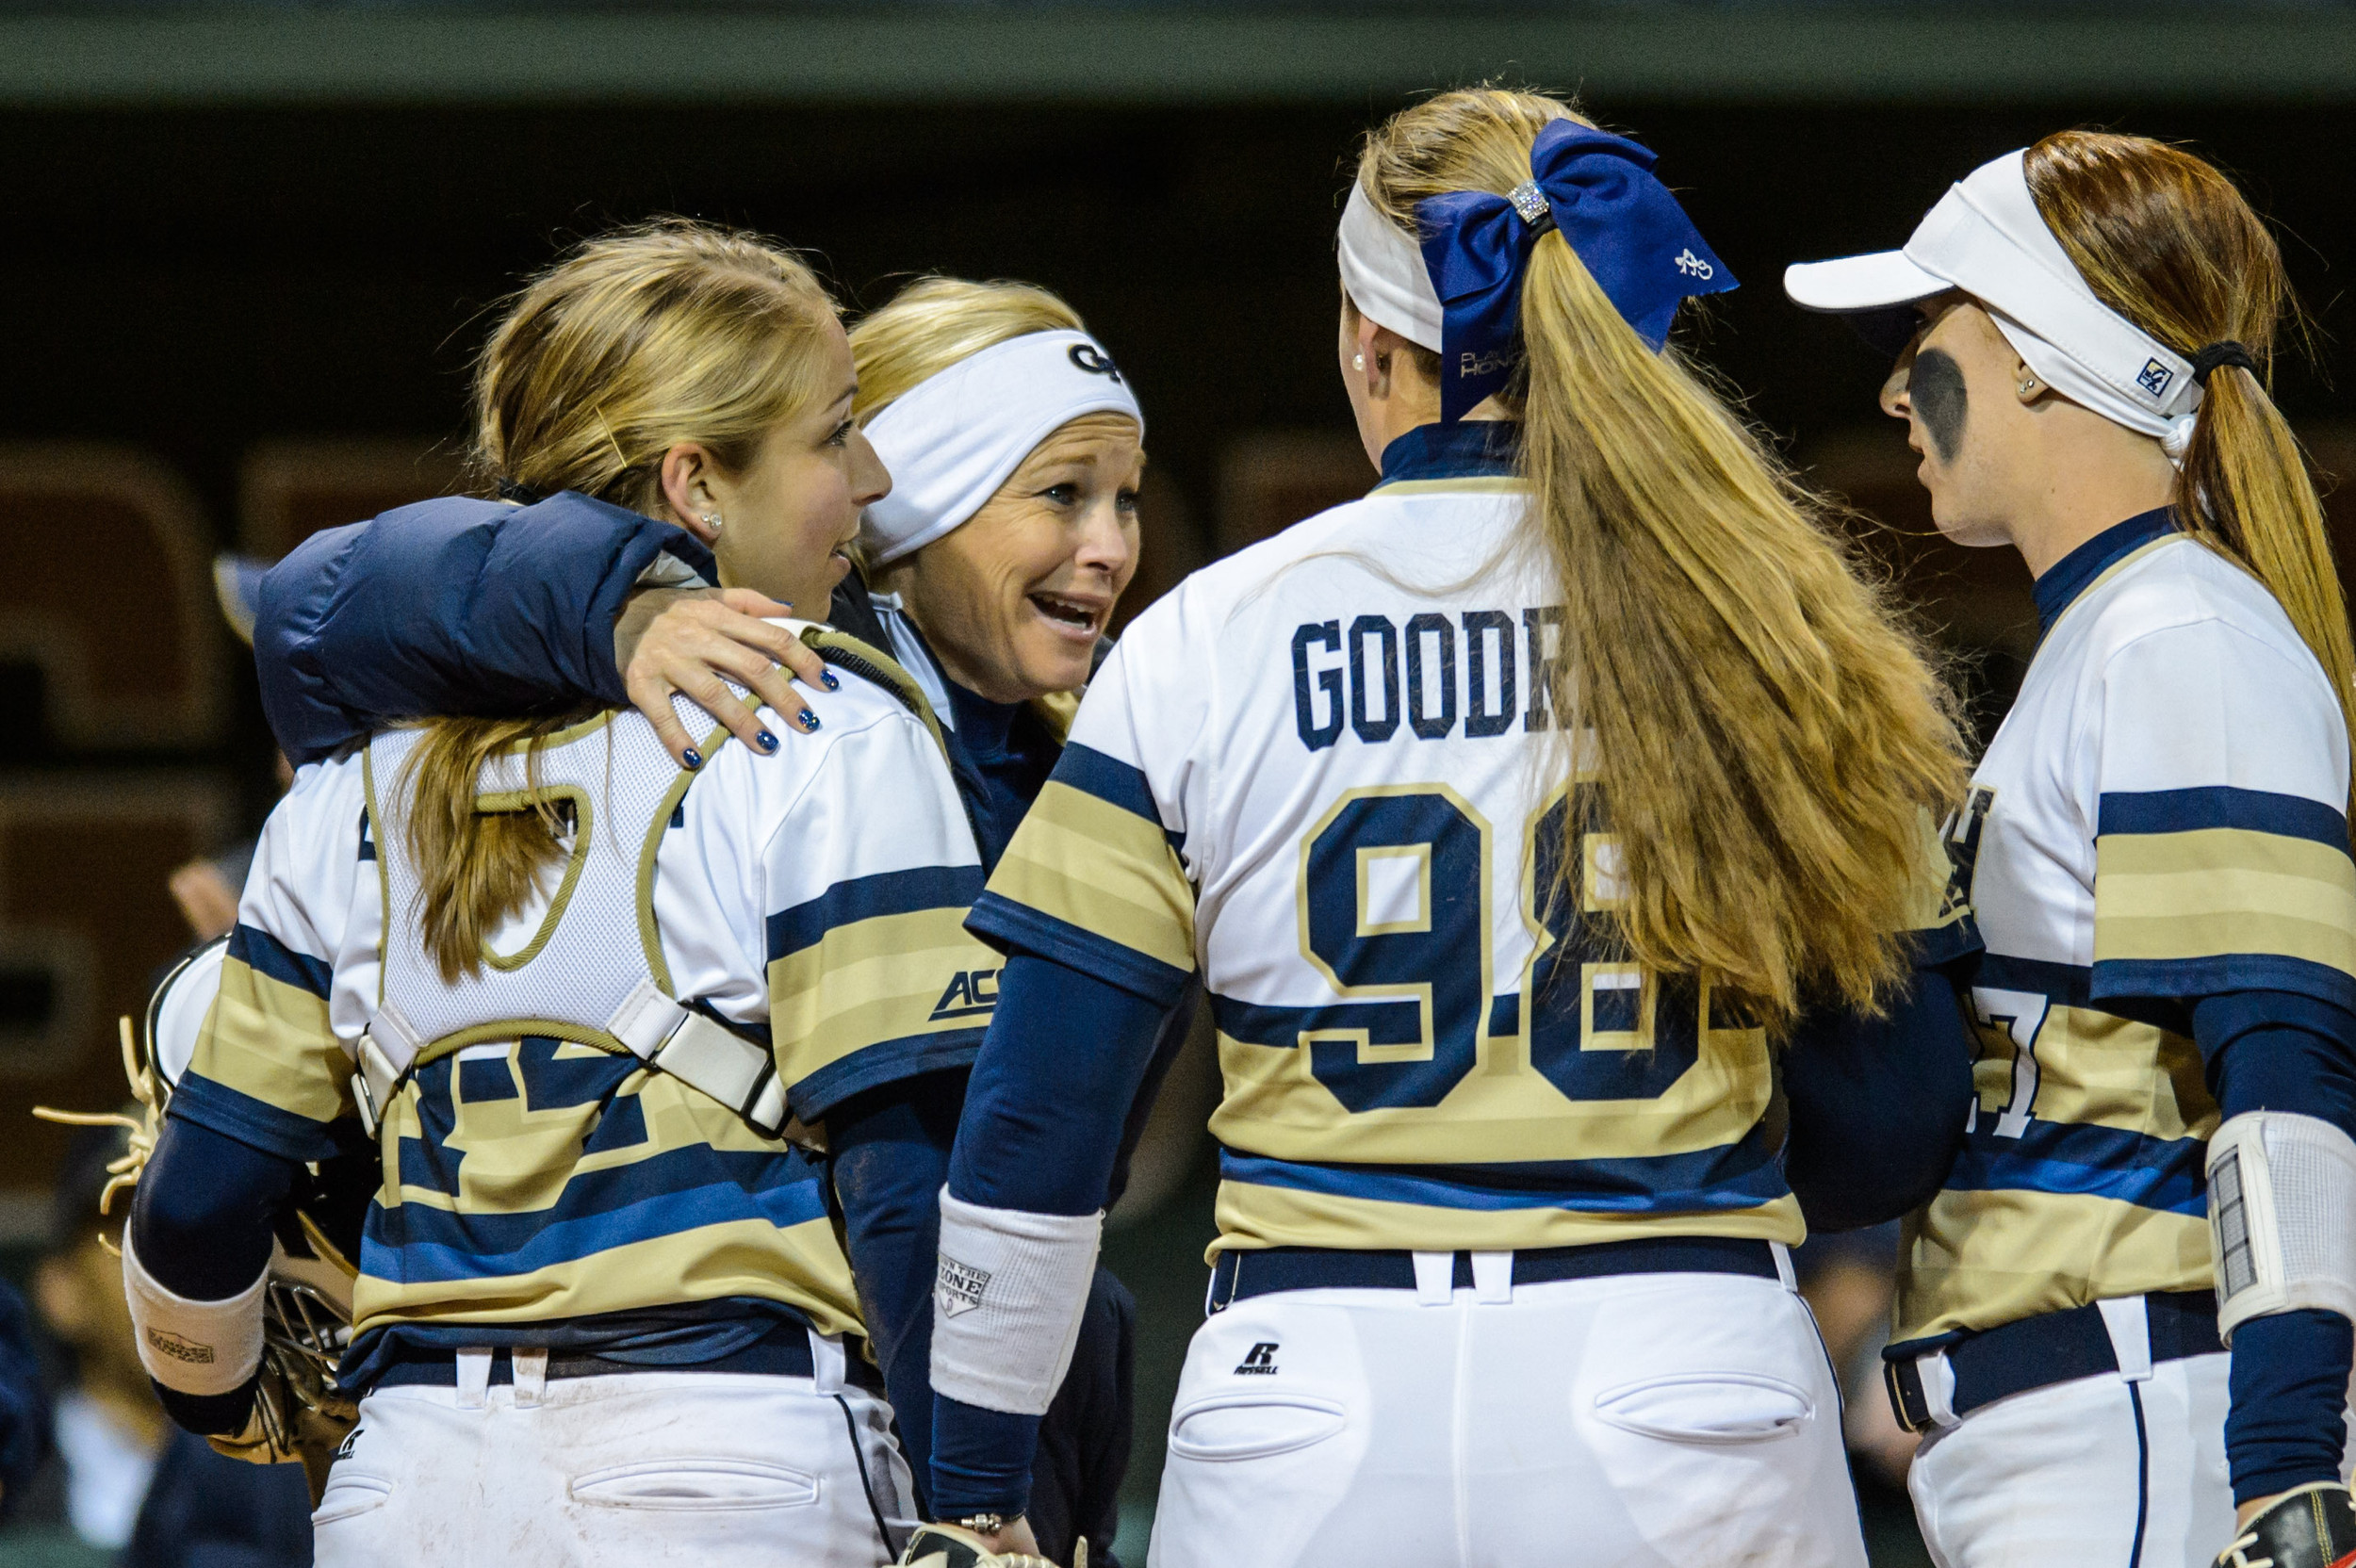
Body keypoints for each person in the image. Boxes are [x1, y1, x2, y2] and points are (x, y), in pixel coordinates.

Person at [919, 87, 1977, 1566]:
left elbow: (1038, 1119)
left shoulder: (1208, 635)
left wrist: (972, 1495)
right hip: (1683, 1363)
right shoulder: (1773, 618)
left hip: (1311, 1386)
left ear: (1367, 341)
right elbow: (1894, 1117)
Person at [120, 220, 1010, 1568]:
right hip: (737, 1453)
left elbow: (193, 1213)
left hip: (416, 1483)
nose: (870, 476)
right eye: (835, 436)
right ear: (695, 487)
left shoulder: (351, 778)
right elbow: (910, 1185)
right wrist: (980, 1503)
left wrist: (221, 1399)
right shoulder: (819, 722)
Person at [1785, 133, 2356, 1568]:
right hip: (2068, 1425)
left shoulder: (2183, 631)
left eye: (1927, 329)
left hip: (2146, 1425)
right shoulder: (2112, 634)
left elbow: (2283, 1065)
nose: (1894, 385)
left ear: (2039, 354)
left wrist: (2289, 1465)